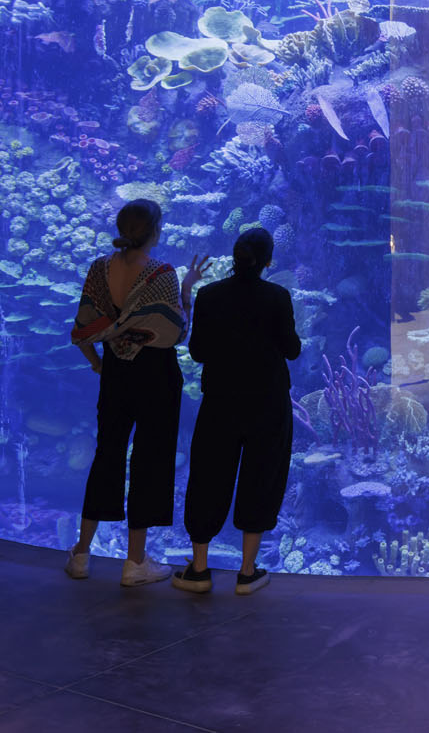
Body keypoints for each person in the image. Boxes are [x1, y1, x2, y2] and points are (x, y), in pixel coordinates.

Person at [63, 198, 208, 586]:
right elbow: (176, 333)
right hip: (156, 375)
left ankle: (81, 554)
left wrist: (98, 362)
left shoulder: (99, 268)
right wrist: (188, 288)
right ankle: (135, 563)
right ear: (155, 231)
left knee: (107, 453)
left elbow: (85, 323)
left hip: (114, 370)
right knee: (150, 460)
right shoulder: (161, 274)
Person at [172, 226, 302, 595]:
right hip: (267, 402)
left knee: (208, 476)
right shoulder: (278, 296)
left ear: (234, 258)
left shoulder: (211, 295)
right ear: (268, 262)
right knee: (261, 476)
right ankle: (247, 572)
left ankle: (198, 569)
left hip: (221, 401)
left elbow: (197, 352)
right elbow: (291, 350)